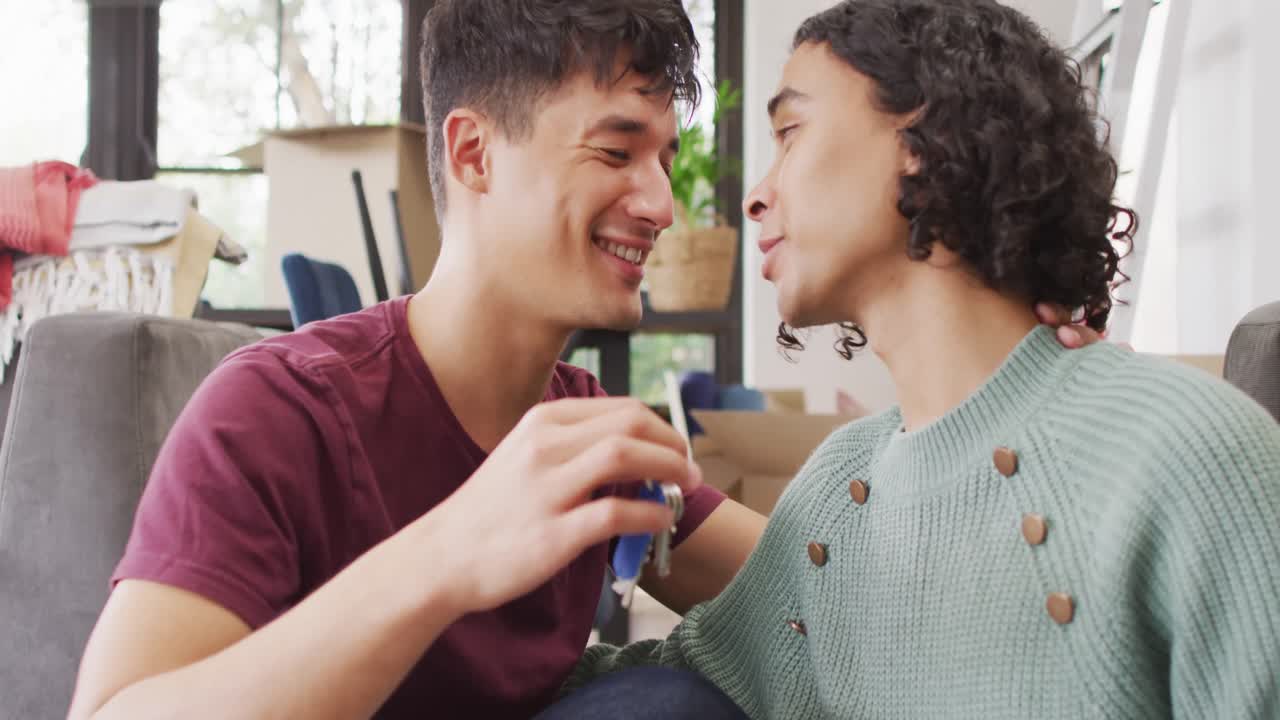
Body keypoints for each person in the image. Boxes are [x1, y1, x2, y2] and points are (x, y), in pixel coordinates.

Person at [558, 1, 1280, 718]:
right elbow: (645, 696)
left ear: (923, 138)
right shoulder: (838, 493)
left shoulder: (1193, 454)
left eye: (790, 132)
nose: (756, 196)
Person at [66, 3, 768, 719]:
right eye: (616, 154)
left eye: (664, 163)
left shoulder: (583, 437)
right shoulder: (276, 410)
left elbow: (810, 595)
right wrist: (447, 553)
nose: (660, 204)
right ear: (473, 154)